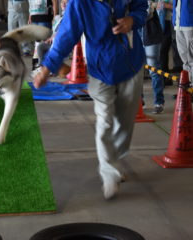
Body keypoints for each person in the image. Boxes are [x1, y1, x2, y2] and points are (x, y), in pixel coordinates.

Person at [33, 0, 148, 199]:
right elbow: (66, 36)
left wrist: (132, 20)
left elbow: (142, 9)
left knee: (125, 122)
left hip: (131, 66)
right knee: (105, 121)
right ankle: (109, 173)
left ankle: (116, 160)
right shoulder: (80, 3)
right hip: (100, 69)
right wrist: (46, 68)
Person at [139, 0, 165, 114]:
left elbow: (147, 14)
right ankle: (139, 101)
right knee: (137, 71)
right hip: (136, 35)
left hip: (151, 35)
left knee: (154, 70)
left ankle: (159, 102)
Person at [31, 0, 69, 76]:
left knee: (49, 48)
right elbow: (54, 31)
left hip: (63, 42)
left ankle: (50, 69)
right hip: (54, 40)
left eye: (66, 2)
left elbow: (66, 31)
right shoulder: (58, 17)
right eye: (62, 2)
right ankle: (43, 67)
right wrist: (51, 38)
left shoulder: (70, 17)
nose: (63, 4)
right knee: (40, 46)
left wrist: (54, 37)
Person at [157, 0, 182, 86]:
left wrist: (168, 6)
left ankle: (182, 85)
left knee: (179, 54)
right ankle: (165, 79)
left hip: (176, 22)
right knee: (163, 52)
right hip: (163, 22)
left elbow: (181, 7)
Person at [28, 0, 58, 70]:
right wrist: (30, 17)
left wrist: (55, 16)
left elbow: (54, 2)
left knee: (45, 42)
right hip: (34, 18)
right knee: (37, 43)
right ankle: (37, 65)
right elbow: (31, 4)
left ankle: (47, 66)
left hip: (44, 18)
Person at [172, 0, 193, 84]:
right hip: (178, 24)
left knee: (191, 58)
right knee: (184, 59)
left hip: (190, 24)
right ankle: (187, 86)